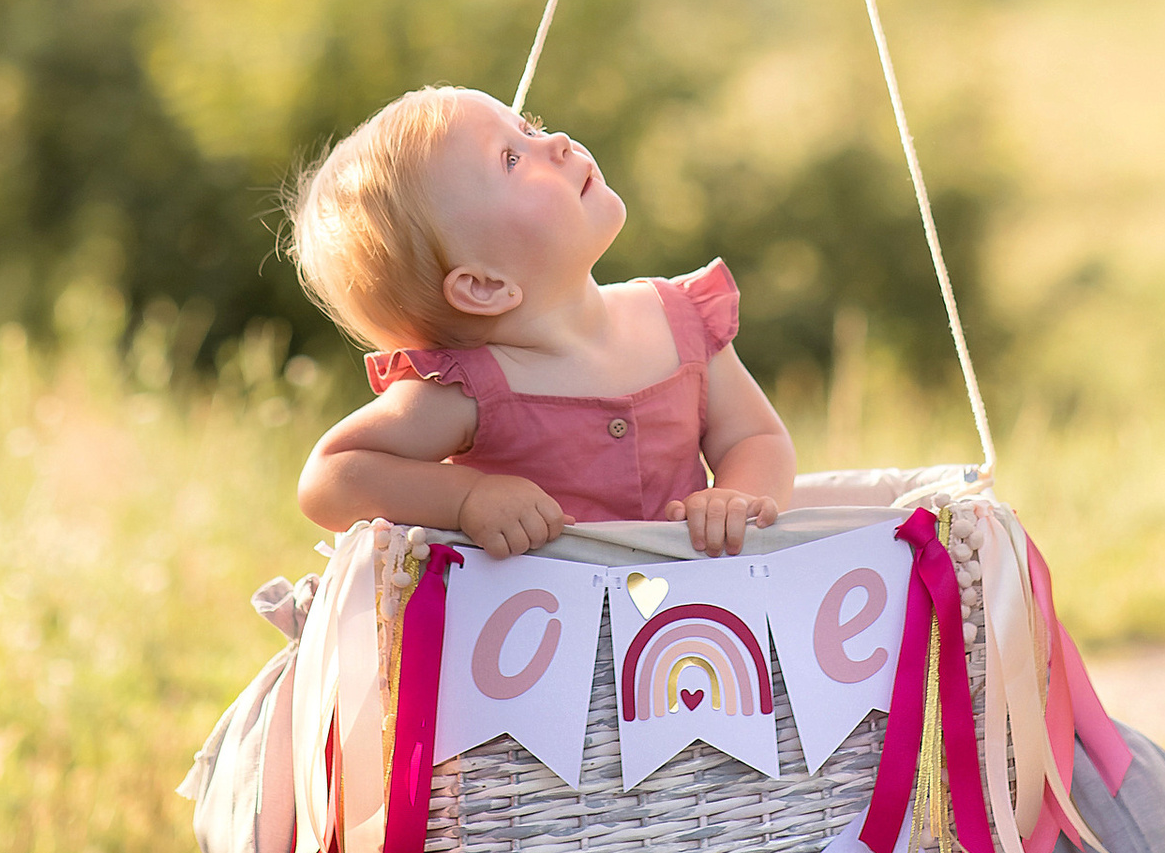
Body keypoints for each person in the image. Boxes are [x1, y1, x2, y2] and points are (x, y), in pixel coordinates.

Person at [286, 86, 795, 557]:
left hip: (693, 630)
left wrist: (736, 496)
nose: (556, 141)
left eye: (527, 128)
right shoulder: (472, 389)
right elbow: (329, 478)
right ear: (484, 286)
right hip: (546, 640)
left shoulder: (680, 319)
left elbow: (756, 438)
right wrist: (469, 496)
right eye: (511, 159)